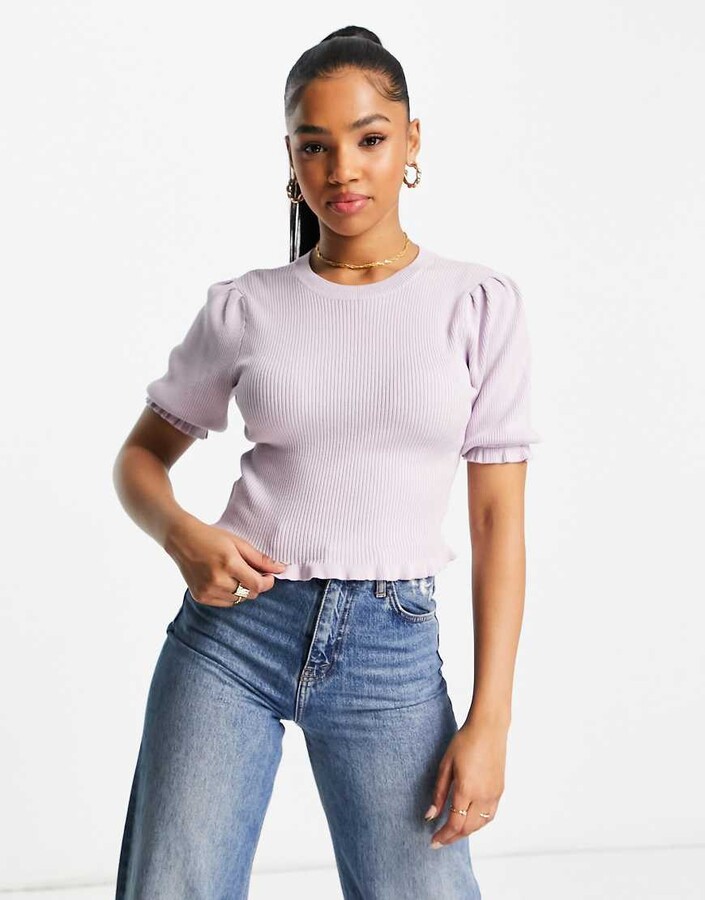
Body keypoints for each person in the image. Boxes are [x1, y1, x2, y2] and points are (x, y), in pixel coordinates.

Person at [113, 24, 541, 900]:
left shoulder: (475, 304)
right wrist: (185, 537)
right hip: (232, 635)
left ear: (411, 142)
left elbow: (497, 521)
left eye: (369, 138)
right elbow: (140, 458)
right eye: (315, 146)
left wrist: (490, 718)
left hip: (390, 649)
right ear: (291, 158)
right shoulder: (246, 308)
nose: (342, 169)